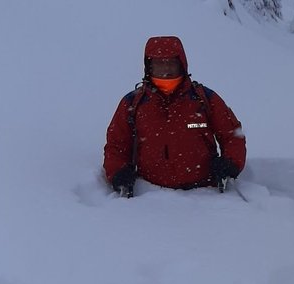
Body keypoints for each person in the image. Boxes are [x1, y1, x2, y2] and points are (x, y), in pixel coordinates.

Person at [104, 36, 246, 195]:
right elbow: (116, 145)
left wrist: (231, 163)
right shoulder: (133, 103)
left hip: (206, 195)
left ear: (182, 65)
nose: (166, 70)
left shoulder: (204, 98)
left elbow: (232, 135)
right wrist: (118, 172)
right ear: (149, 67)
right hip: (149, 197)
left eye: (171, 63)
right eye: (159, 64)